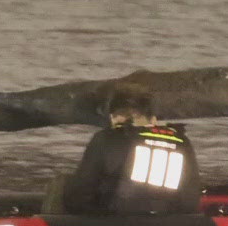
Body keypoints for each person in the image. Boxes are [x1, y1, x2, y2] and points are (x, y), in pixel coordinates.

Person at [58, 82, 203, 215]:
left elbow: (77, 197)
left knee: (60, 185)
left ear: (112, 118)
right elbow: (190, 200)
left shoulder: (106, 139)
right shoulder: (181, 142)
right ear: (153, 120)